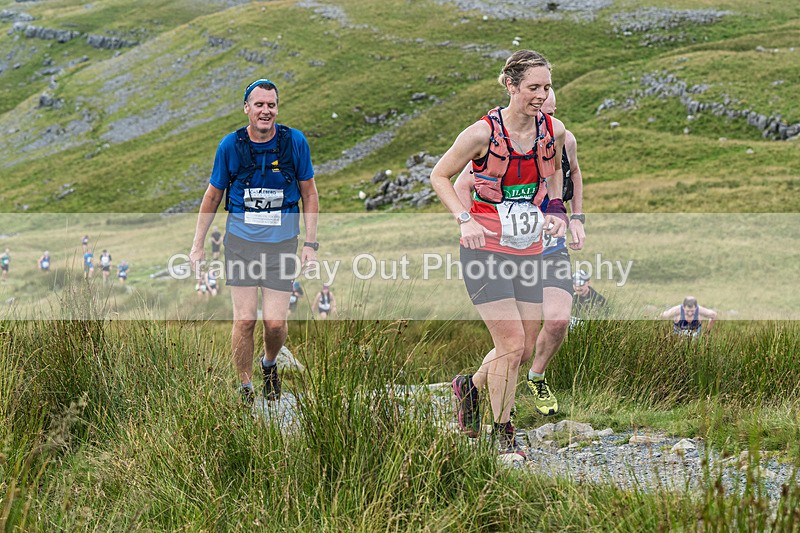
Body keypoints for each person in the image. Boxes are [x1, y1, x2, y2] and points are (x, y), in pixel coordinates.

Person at [430, 50, 567, 457]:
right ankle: (504, 436)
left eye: (545, 87)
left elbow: (555, 170)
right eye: (532, 88)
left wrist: (557, 208)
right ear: (511, 85)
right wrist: (463, 219)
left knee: (524, 350)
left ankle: (468, 388)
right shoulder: (480, 134)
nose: (541, 95)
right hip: (485, 250)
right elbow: (439, 175)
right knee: (509, 345)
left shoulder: (553, 130)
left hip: (527, 249)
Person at [453, 88, 585, 417]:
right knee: (516, 347)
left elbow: (575, 176)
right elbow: (459, 184)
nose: (545, 120)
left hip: (550, 247)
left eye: (551, 114)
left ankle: (534, 377)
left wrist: (576, 218)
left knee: (556, 321)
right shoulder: (505, 144)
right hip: (510, 247)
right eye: (540, 113)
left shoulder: (563, 140)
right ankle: (476, 391)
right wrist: (473, 224)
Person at [189, 78, 318, 407]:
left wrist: (310, 244)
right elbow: (213, 196)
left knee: (275, 323)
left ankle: (269, 363)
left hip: (283, 243)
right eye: (259, 104)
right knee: (245, 319)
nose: (265, 110)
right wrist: (198, 245)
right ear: (246, 108)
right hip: (241, 243)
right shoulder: (230, 146)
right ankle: (245, 386)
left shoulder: (295, 143)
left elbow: (309, 193)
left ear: (277, 108)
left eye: (271, 105)